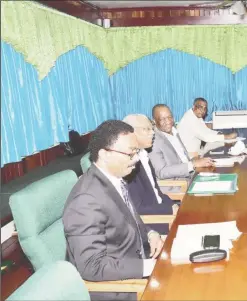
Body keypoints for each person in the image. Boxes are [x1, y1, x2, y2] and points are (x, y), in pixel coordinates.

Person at [63, 120, 163, 301]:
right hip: (119, 289)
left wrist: (151, 234)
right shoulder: (86, 200)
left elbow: (130, 218)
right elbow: (92, 266)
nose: (136, 158)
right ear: (105, 154)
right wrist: (148, 267)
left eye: (137, 151)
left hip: (136, 265)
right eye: (131, 153)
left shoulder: (114, 178)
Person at [123, 114, 179, 235]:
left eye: (152, 128)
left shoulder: (143, 155)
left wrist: (172, 205)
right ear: (130, 133)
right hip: (151, 225)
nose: (152, 133)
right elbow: (137, 209)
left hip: (161, 211)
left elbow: (156, 191)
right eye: (146, 129)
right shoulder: (127, 165)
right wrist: (169, 210)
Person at [150, 104, 215, 180]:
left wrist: (198, 161)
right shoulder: (154, 141)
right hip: (178, 185)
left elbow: (182, 159)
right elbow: (161, 172)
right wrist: (192, 164)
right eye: (162, 119)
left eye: (169, 117)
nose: (168, 121)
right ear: (154, 121)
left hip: (191, 175)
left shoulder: (174, 132)